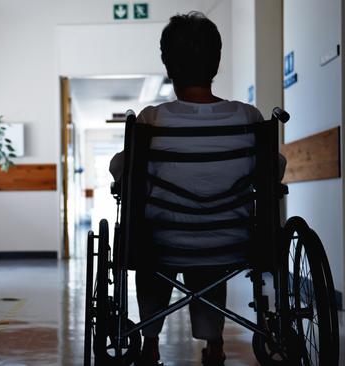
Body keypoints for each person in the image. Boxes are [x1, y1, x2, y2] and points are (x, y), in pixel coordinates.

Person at [109, 11, 286, 366]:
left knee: (151, 249)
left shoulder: (152, 120)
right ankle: (214, 342)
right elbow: (275, 171)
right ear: (216, 63)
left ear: (168, 65)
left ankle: (150, 340)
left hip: (163, 243)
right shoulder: (248, 117)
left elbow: (120, 170)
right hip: (231, 242)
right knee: (209, 259)